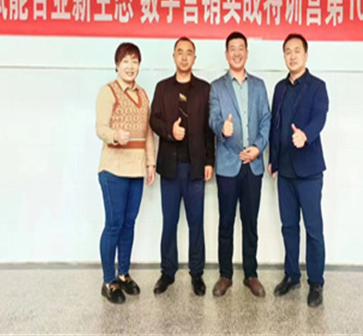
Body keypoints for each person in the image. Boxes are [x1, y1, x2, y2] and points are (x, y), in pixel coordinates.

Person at [149, 37, 215, 296]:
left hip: (195, 167)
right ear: (174, 56)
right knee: (170, 221)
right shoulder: (162, 88)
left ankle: (197, 273)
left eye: (189, 53)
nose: (184, 57)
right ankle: (167, 272)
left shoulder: (204, 89)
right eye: (180, 52)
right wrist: (170, 131)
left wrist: (209, 160)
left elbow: (209, 129)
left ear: (194, 58)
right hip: (170, 167)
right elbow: (154, 120)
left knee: (196, 222)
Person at [268, 33, 329, 308]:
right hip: (285, 171)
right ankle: (292, 275)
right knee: (289, 227)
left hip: (309, 171)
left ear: (306, 55)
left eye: (296, 51)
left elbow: (320, 116)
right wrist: (273, 159)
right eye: (287, 52)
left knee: (313, 229)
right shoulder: (280, 88)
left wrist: (306, 135)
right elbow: (275, 124)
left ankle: (315, 282)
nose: (292, 56)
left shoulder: (317, 87)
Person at [208, 32, 271, 298]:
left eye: (241, 48)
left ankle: (251, 274)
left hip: (253, 165)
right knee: (226, 222)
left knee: (250, 222)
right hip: (228, 164)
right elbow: (212, 118)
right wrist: (222, 128)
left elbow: (266, 119)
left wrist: (258, 148)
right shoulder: (216, 87)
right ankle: (225, 274)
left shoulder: (259, 86)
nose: (237, 52)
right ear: (226, 54)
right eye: (232, 48)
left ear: (246, 52)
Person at [95, 42, 156, 304]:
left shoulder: (143, 95)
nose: (130, 67)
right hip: (113, 169)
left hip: (136, 169)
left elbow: (148, 132)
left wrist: (151, 163)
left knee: (129, 223)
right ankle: (108, 280)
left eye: (135, 61)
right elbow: (100, 127)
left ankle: (123, 274)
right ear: (117, 65)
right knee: (114, 224)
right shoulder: (108, 92)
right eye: (126, 61)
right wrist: (114, 135)